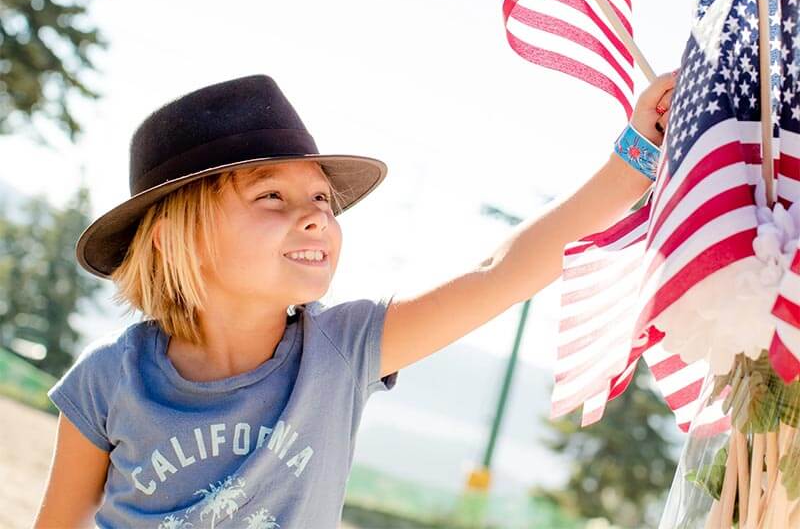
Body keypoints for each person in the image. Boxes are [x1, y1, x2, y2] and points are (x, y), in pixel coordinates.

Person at [32, 71, 675, 528]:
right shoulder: (106, 382)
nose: (315, 218)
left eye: (321, 200)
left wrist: (637, 157)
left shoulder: (342, 350)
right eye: (271, 198)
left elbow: (496, 272)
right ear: (178, 235)